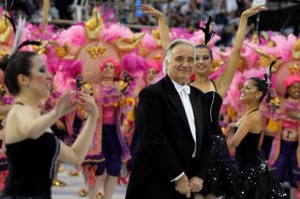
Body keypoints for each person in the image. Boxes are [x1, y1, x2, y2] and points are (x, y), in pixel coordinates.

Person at [141, 4, 268, 199]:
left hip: (214, 147)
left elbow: (235, 51)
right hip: (190, 146)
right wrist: (161, 20)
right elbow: (170, 51)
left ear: (211, 61)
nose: (200, 61)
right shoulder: (183, 88)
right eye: (196, 57)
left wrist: (243, 19)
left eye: (204, 58)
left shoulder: (220, 84)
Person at [0, 51, 99, 199]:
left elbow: (75, 157)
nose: (49, 75)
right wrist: (56, 113)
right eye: (41, 70)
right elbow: (31, 130)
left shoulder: (36, 117)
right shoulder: (19, 110)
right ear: (23, 79)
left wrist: (93, 117)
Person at [126, 39, 211, 199]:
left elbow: (206, 139)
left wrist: (200, 175)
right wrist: (178, 176)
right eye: (179, 59)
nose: (185, 64)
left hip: (191, 178)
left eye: (190, 60)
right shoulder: (151, 94)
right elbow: (154, 140)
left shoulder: (199, 96)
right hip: (158, 176)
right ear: (167, 62)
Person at [225, 72, 287, 198]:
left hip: (250, 171)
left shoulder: (253, 116)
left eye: (248, 88)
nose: (242, 89)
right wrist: (234, 125)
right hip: (246, 167)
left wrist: (213, 149)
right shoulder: (250, 113)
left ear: (258, 94)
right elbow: (246, 130)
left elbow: (234, 143)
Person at [268, 75, 300, 199]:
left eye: (299, 87)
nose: (297, 90)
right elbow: (269, 109)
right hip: (281, 147)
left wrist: (297, 116)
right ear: (287, 89)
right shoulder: (281, 102)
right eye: (294, 87)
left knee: (296, 179)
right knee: (277, 175)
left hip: (296, 149)